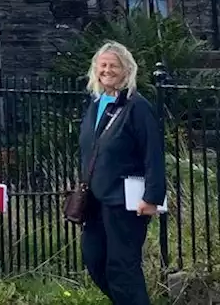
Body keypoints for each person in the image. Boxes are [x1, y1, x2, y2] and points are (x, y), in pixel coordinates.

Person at [78, 41, 166, 305]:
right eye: (102, 65)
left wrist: (152, 197)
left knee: (122, 269)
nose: (107, 70)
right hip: (95, 200)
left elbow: (153, 153)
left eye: (113, 65)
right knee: (94, 261)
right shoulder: (96, 103)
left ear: (127, 70)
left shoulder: (137, 107)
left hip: (125, 202)